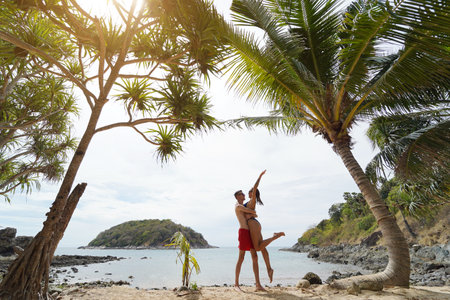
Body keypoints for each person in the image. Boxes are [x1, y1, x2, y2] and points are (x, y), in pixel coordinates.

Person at [244, 170, 285, 282]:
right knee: (263, 248)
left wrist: (260, 176)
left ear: (253, 193)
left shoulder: (251, 202)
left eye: (250, 191)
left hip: (253, 224)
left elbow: (255, 186)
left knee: (257, 248)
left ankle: (275, 236)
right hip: (255, 224)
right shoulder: (250, 203)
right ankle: (269, 269)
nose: (248, 192)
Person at [234, 189, 265, 292]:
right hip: (243, 232)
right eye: (241, 194)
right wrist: (252, 213)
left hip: (250, 232)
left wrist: (251, 214)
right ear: (238, 197)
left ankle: (258, 285)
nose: (243, 195)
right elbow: (252, 212)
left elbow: (251, 213)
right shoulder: (238, 206)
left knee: (255, 257)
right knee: (241, 257)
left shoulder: (243, 207)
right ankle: (236, 284)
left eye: (243, 194)